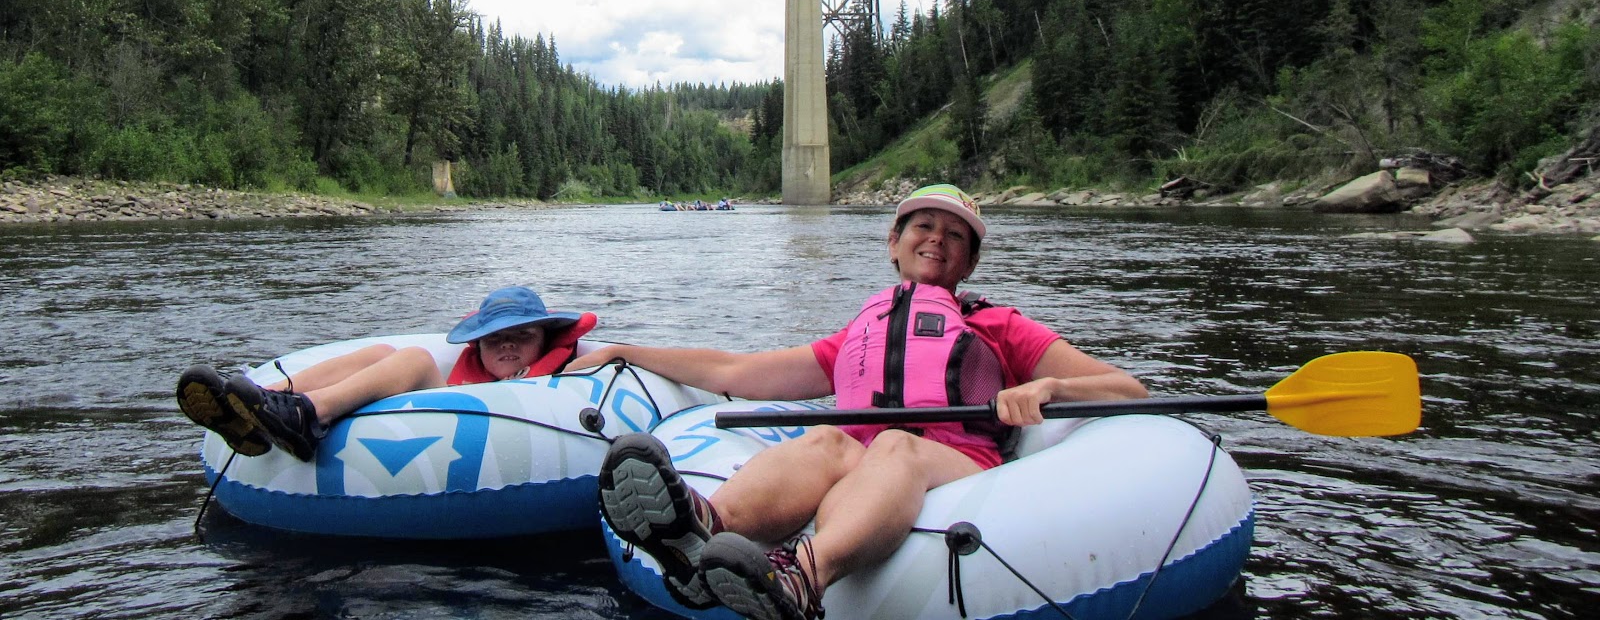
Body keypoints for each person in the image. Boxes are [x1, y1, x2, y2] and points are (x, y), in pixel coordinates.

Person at [565, 184, 1147, 620]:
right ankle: (702, 533)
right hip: (863, 468)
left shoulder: (998, 325)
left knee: (895, 444)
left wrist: (1050, 387)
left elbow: (1128, 390)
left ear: (968, 263)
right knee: (824, 439)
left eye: (956, 236)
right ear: (894, 245)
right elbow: (736, 371)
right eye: (923, 226)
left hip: (957, 464)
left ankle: (804, 580)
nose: (938, 240)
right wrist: (626, 349)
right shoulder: (858, 333)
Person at [177, 285, 595, 461]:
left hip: (473, 418)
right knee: (380, 351)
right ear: (478, 346)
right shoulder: (468, 370)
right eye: (493, 339)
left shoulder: (559, 374)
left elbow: (608, 362)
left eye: (521, 336)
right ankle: (257, 401)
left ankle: (309, 414)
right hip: (444, 402)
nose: (506, 345)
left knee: (413, 358)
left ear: (544, 339)